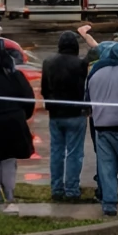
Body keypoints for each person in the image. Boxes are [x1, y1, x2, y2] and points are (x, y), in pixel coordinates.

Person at [85, 41, 118, 217]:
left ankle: (109, 204)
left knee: (106, 167)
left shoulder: (95, 75)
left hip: (102, 126)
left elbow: (88, 102)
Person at [0, 42, 37, 214]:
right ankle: (10, 198)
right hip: (14, 122)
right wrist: (23, 116)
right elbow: (29, 99)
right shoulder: (17, 78)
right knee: (9, 161)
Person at [41, 30, 90, 202]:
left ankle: (56, 189)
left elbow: (44, 89)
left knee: (56, 152)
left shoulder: (48, 63)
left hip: (55, 114)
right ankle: (72, 190)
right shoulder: (81, 64)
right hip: (76, 113)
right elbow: (85, 88)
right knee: (74, 154)